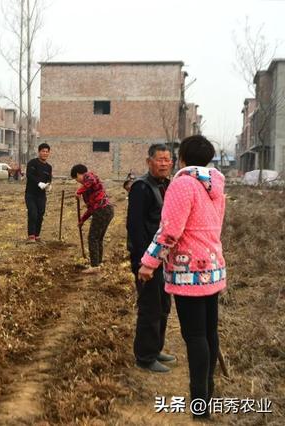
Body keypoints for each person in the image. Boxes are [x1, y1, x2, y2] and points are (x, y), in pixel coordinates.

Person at [138, 135, 226, 420]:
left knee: (196, 336)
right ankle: (207, 397)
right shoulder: (214, 185)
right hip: (212, 267)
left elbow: (170, 231)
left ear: (183, 158)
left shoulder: (183, 184)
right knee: (209, 333)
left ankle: (200, 405)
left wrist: (149, 262)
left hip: (190, 272)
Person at [127, 144, 175, 373]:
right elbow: (135, 227)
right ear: (149, 162)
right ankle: (144, 357)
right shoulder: (141, 188)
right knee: (150, 307)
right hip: (146, 259)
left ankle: (155, 349)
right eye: (160, 159)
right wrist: (142, 261)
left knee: (164, 305)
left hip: (163, 258)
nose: (164, 163)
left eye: (168, 159)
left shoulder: (166, 185)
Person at [71, 164, 113, 273]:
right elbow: (90, 208)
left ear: (78, 174)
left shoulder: (89, 176)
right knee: (98, 238)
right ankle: (98, 262)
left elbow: (91, 181)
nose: (78, 182)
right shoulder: (87, 190)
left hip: (103, 209)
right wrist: (82, 220)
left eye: (77, 179)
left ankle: (94, 266)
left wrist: (78, 192)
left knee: (93, 237)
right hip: (105, 210)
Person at [25, 143, 52, 243]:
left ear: (49, 153)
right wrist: (38, 183)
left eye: (47, 151)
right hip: (31, 194)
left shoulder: (49, 167)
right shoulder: (32, 163)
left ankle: (37, 235)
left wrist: (49, 185)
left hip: (41, 195)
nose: (45, 153)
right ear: (39, 152)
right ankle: (31, 236)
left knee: (40, 214)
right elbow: (29, 175)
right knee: (33, 213)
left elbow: (49, 178)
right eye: (43, 151)